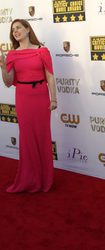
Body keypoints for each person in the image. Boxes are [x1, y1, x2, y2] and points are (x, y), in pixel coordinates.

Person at [0, 19, 57, 193]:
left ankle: (44, 179)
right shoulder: (12, 54)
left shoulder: (42, 51)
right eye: (13, 29)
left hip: (40, 97)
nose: (15, 31)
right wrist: (3, 67)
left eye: (18, 27)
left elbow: (50, 77)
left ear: (27, 28)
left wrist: (53, 99)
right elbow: (9, 82)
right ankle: (29, 179)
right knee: (26, 138)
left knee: (42, 135)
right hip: (23, 98)